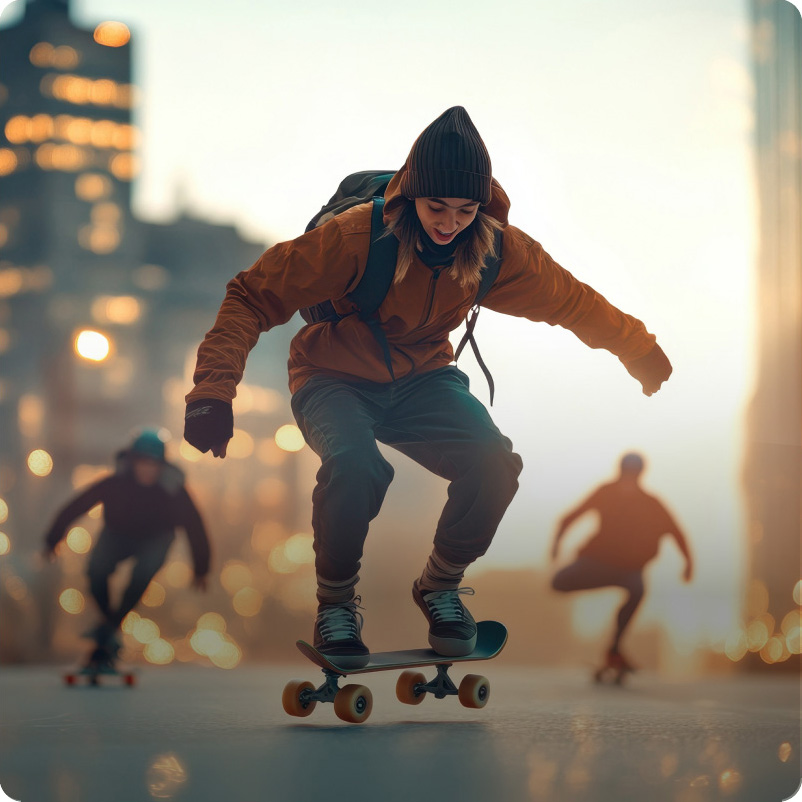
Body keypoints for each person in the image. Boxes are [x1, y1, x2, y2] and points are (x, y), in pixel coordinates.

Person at [183, 106, 672, 669]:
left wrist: (636, 346)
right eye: (436, 207)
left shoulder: (496, 250)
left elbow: (571, 300)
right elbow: (251, 295)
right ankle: (336, 607)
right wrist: (213, 393)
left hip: (424, 380)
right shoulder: (353, 238)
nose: (449, 223)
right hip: (333, 377)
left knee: (494, 463)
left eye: (465, 210)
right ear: (409, 196)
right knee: (357, 465)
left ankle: (440, 587)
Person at [43, 429, 211, 668]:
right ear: (132, 462)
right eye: (142, 462)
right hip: (117, 535)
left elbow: (195, 526)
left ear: (161, 466)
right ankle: (109, 627)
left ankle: (108, 629)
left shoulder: (173, 491)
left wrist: (201, 566)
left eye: (152, 464)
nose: (147, 469)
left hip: (157, 538)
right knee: (96, 571)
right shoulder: (115, 484)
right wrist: (53, 538)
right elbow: (79, 504)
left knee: (142, 573)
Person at [551, 452, 692, 674]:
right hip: (595, 563)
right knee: (558, 583)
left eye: (632, 476)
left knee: (637, 589)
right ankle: (613, 649)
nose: (628, 481)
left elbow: (676, 532)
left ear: (639, 475)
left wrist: (688, 562)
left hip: (626, 570)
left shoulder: (650, 503)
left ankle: (614, 650)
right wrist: (555, 546)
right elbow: (568, 518)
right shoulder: (606, 493)